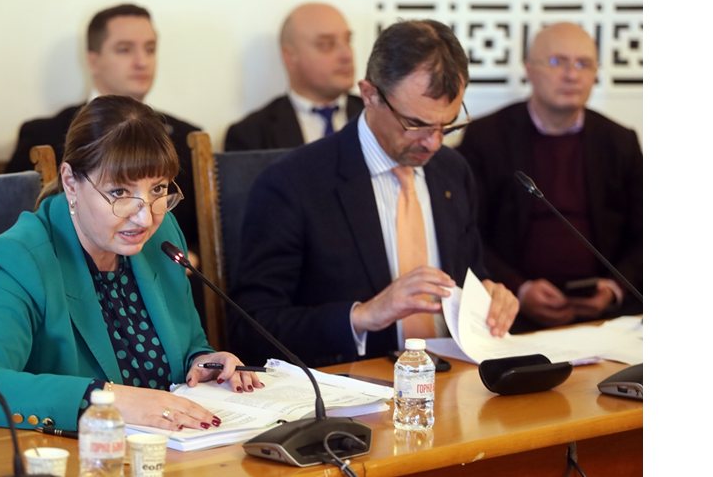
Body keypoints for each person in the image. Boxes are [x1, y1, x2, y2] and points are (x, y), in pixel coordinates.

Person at [0, 96, 260, 432]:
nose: (145, 217)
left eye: (158, 189)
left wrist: (204, 362)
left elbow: (187, 346)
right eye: (120, 193)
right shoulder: (16, 258)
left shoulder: (161, 235)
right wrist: (108, 399)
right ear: (71, 182)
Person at [228, 20, 519, 368]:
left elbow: (471, 275)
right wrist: (362, 316)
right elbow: (252, 327)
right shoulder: (292, 184)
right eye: (416, 124)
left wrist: (488, 297)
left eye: (447, 124)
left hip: (454, 376)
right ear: (370, 94)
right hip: (352, 385)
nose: (433, 143)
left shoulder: (453, 171)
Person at [456, 22, 642, 333]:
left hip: (604, 318)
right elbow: (466, 233)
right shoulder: (486, 138)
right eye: (557, 62)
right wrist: (520, 289)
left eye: (583, 64)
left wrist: (614, 288)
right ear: (529, 69)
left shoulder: (619, 141)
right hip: (508, 315)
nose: (571, 75)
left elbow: (645, 234)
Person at [5, 3, 201, 253]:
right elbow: (18, 233)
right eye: (124, 49)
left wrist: (188, 260)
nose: (142, 62)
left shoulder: (185, 136)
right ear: (93, 60)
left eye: (150, 49)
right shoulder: (43, 135)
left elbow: (200, 239)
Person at [224, 2, 363, 151]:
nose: (346, 55)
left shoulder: (376, 115)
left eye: (348, 40)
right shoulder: (250, 135)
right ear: (290, 56)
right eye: (326, 44)